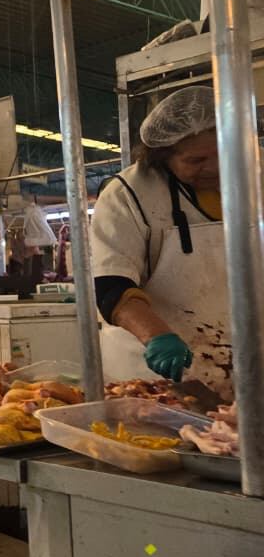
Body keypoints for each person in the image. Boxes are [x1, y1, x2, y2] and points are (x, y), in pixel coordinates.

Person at [91, 86, 228, 395]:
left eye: (222, 151)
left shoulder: (253, 176)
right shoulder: (128, 194)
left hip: (241, 364)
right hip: (155, 371)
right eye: (196, 160)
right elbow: (112, 286)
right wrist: (157, 338)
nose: (214, 167)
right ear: (164, 156)